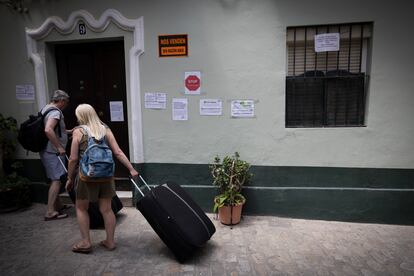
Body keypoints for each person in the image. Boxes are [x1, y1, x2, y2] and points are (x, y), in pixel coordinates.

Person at [65, 103, 138, 254]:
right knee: (106, 209)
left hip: (86, 176)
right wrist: (131, 168)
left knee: (81, 208)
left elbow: (72, 158)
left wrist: (69, 178)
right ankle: (110, 242)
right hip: (106, 176)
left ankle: (86, 242)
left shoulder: (79, 131)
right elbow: (117, 152)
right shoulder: (105, 129)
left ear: (80, 116)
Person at [40, 89, 71, 221]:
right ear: (62, 101)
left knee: (55, 178)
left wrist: (69, 132)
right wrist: (59, 146)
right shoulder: (55, 112)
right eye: (66, 102)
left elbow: (56, 130)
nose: (66, 105)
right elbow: (48, 129)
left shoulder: (46, 109)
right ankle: (50, 212)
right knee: (57, 180)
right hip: (53, 152)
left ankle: (58, 205)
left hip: (47, 151)